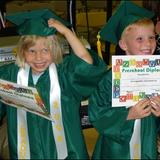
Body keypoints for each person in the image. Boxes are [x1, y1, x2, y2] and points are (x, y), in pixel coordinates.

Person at [0, 8, 107, 159]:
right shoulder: (9, 75)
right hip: (27, 151)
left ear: (55, 49)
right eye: (32, 51)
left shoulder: (65, 74)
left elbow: (86, 61)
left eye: (45, 50)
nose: (39, 58)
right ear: (22, 52)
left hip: (67, 151)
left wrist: (66, 32)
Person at [88, 0, 160, 159]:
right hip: (116, 147)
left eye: (152, 37)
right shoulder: (111, 77)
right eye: (139, 39)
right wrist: (127, 115)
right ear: (123, 44)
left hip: (146, 142)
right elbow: (96, 112)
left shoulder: (157, 74)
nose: (148, 44)